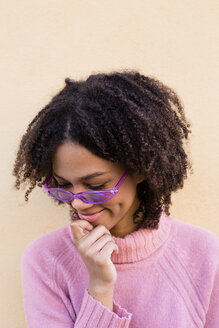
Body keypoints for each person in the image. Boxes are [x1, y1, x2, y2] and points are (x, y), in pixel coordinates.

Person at [13, 71, 219, 327]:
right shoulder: (46, 260)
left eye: (96, 185)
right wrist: (99, 287)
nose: (77, 203)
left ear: (141, 169)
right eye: (63, 185)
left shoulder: (206, 255)